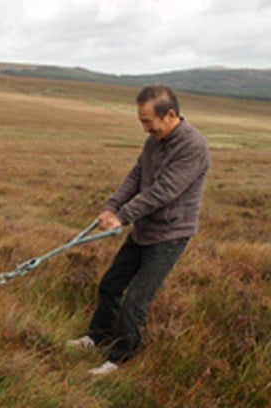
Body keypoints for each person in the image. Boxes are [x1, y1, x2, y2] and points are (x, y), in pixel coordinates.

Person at [66, 85, 210, 375]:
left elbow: (163, 191)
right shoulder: (155, 140)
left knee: (136, 301)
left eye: (148, 122)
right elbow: (137, 175)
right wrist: (112, 206)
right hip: (144, 230)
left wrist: (123, 216)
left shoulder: (193, 147)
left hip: (169, 236)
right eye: (141, 122)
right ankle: (98, 336)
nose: (145, 129)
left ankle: (120, 360)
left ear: (170, 115)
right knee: (111, 284)